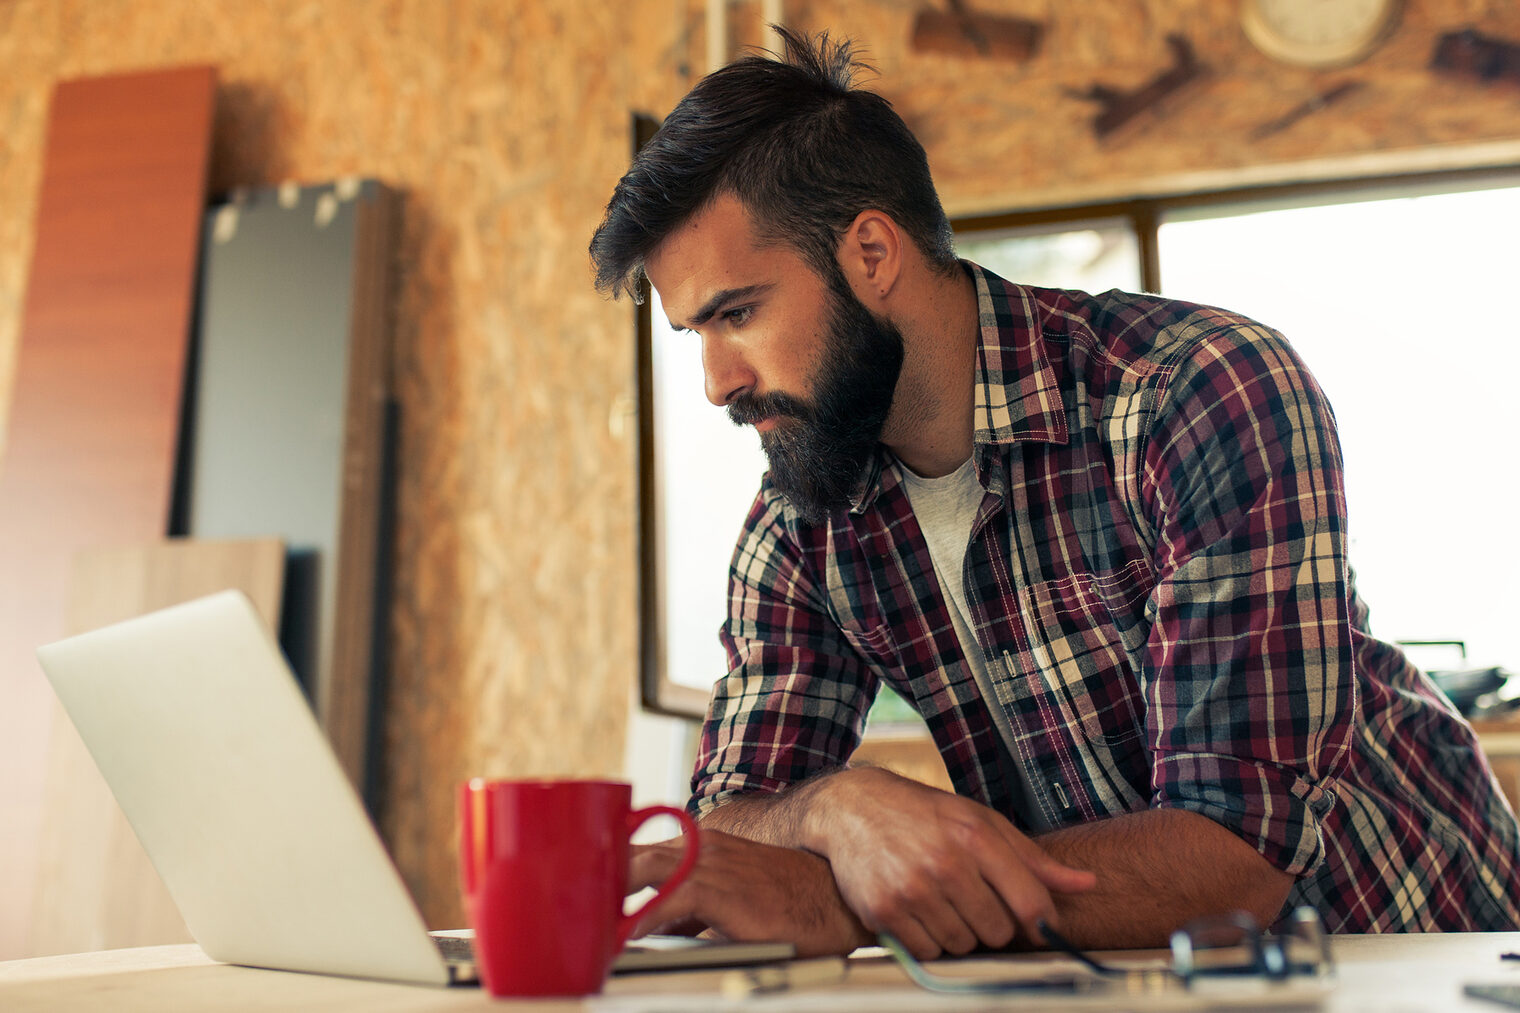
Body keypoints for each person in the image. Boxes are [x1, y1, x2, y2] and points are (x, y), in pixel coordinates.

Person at [588, 28, 1520, 958]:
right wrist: (837, 806)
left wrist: (871, 903)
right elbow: (729, 826)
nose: (715, 380)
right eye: (693, 334)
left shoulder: (1197, 392)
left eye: (737, 313)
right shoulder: (800, 523)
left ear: (872, 254)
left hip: (1412, 942)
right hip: (1121, 966)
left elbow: (1235, 852)